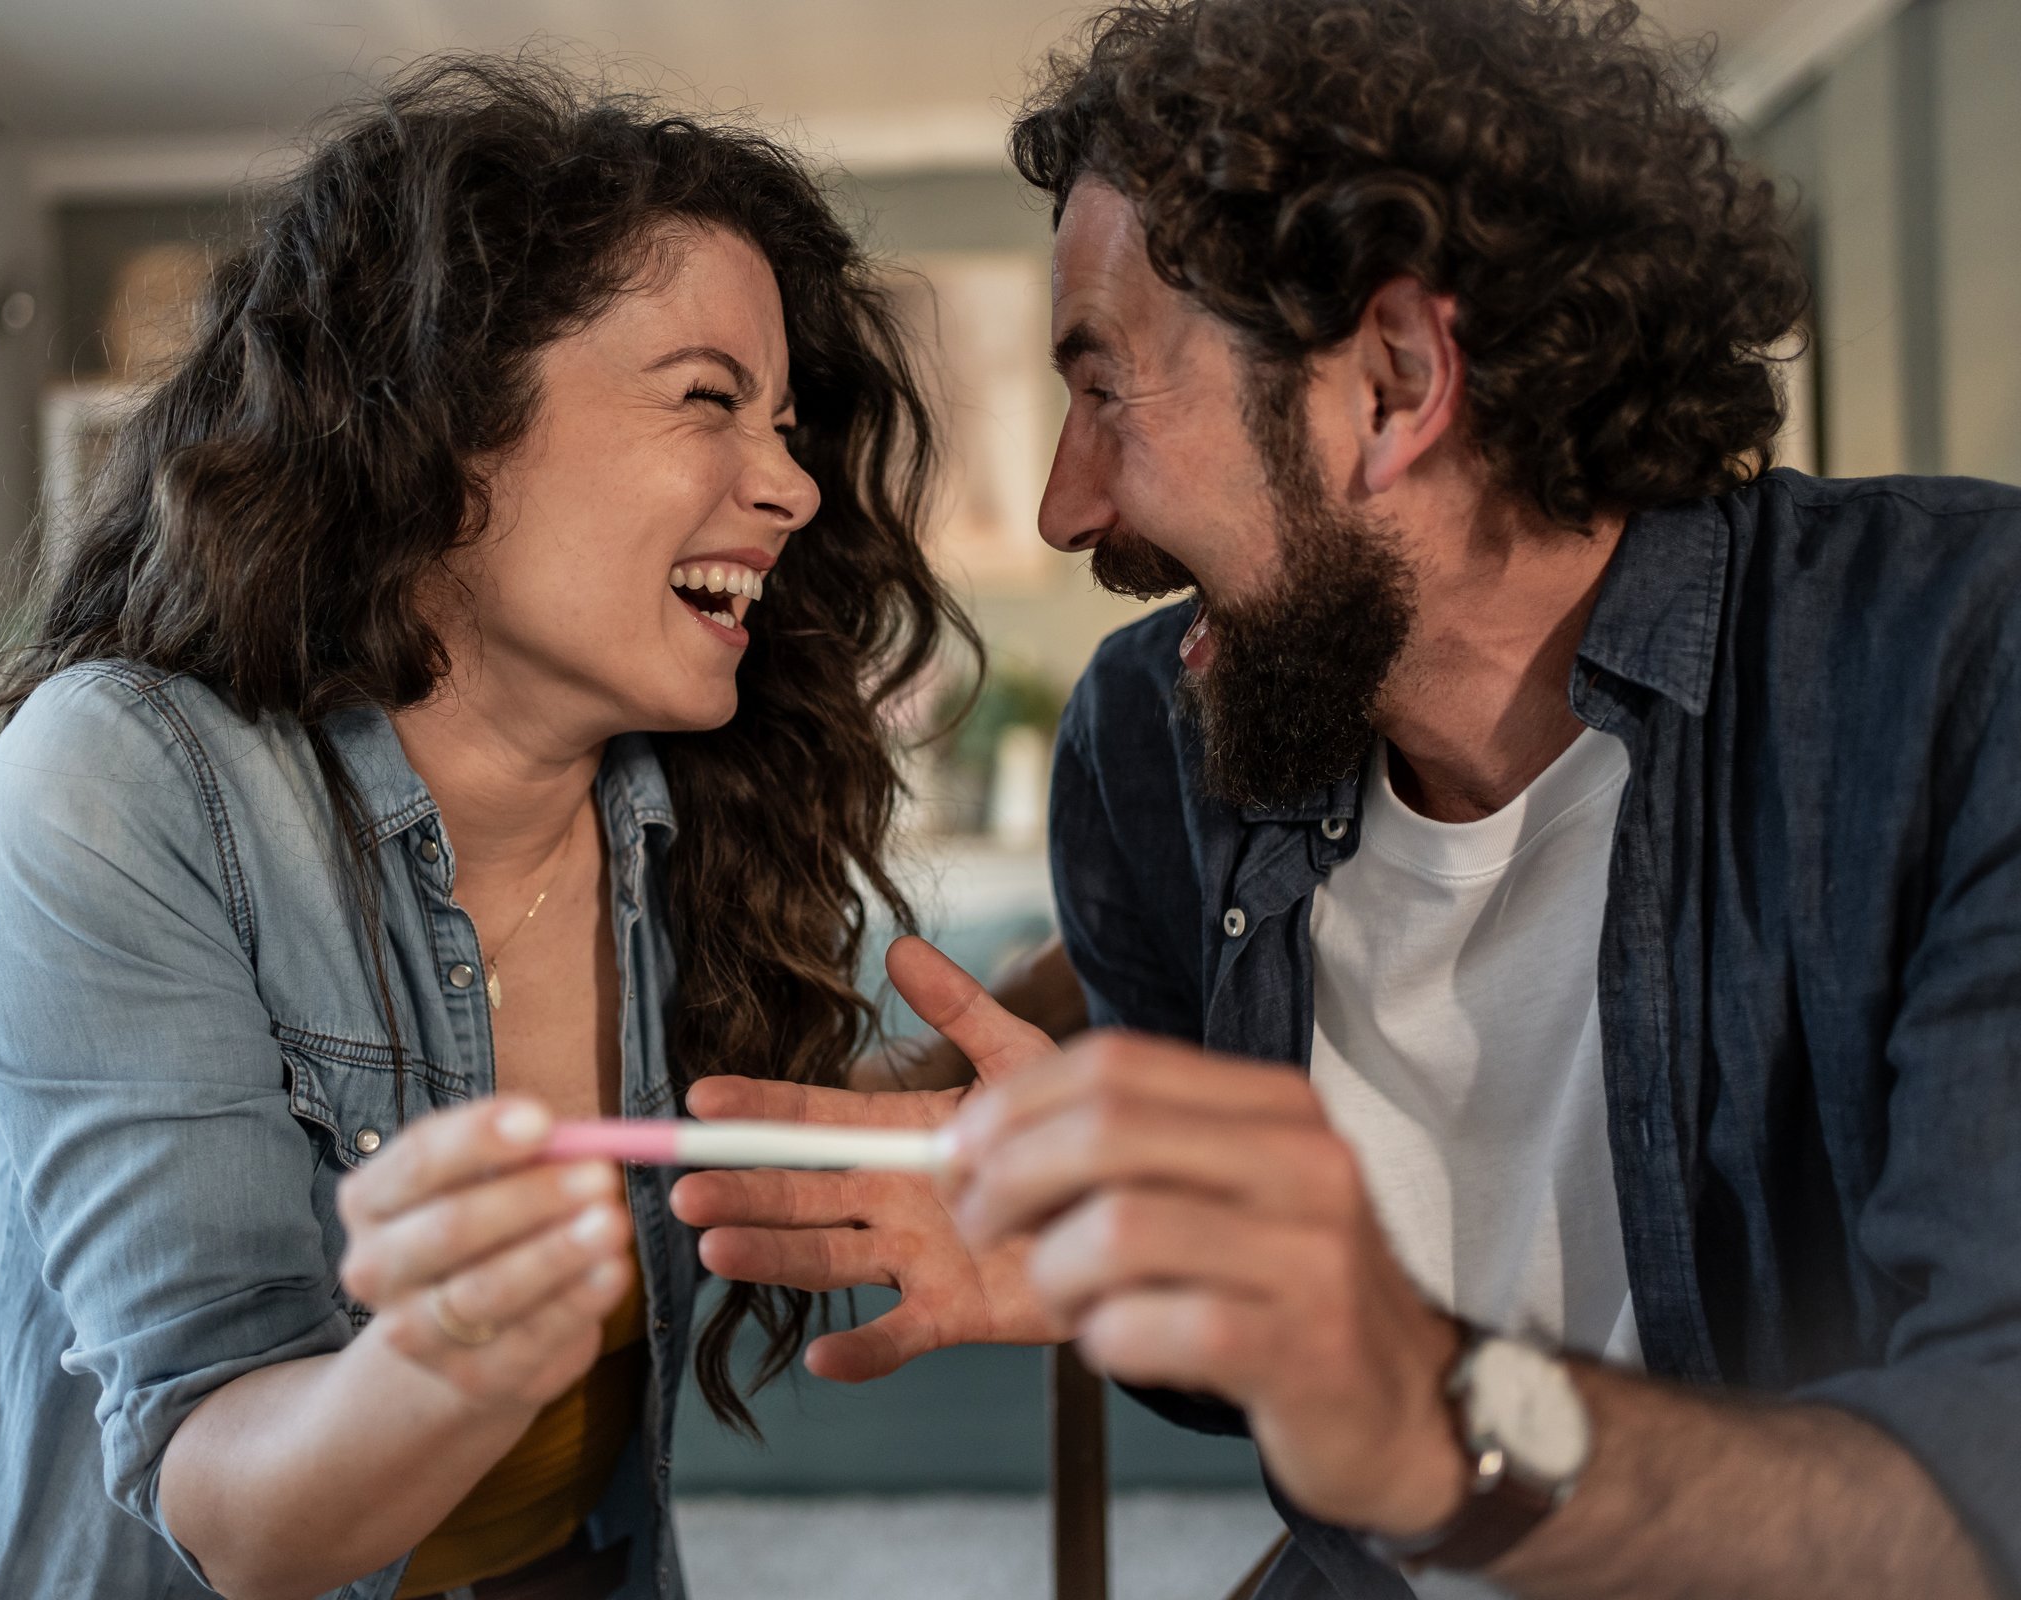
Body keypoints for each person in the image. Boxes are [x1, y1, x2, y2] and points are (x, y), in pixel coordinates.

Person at [678, 1, 2021, 1596]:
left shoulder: (1958, 672)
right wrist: (1142, 1272)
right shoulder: (1152, 743)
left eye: (1105, 388)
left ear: (1394, 378)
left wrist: (1441, 1417)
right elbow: (1265, 1398)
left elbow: (1976, 1495)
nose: (1062, 509)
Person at [0, 59, 973, 1600]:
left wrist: (1046, 1043)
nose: (792, 485)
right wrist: (447, 1367)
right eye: (709, 401)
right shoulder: (121, 782)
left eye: (788, 424)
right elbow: (232, 1508)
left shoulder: (679, 809)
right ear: (449, 425)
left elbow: (747, 1132)